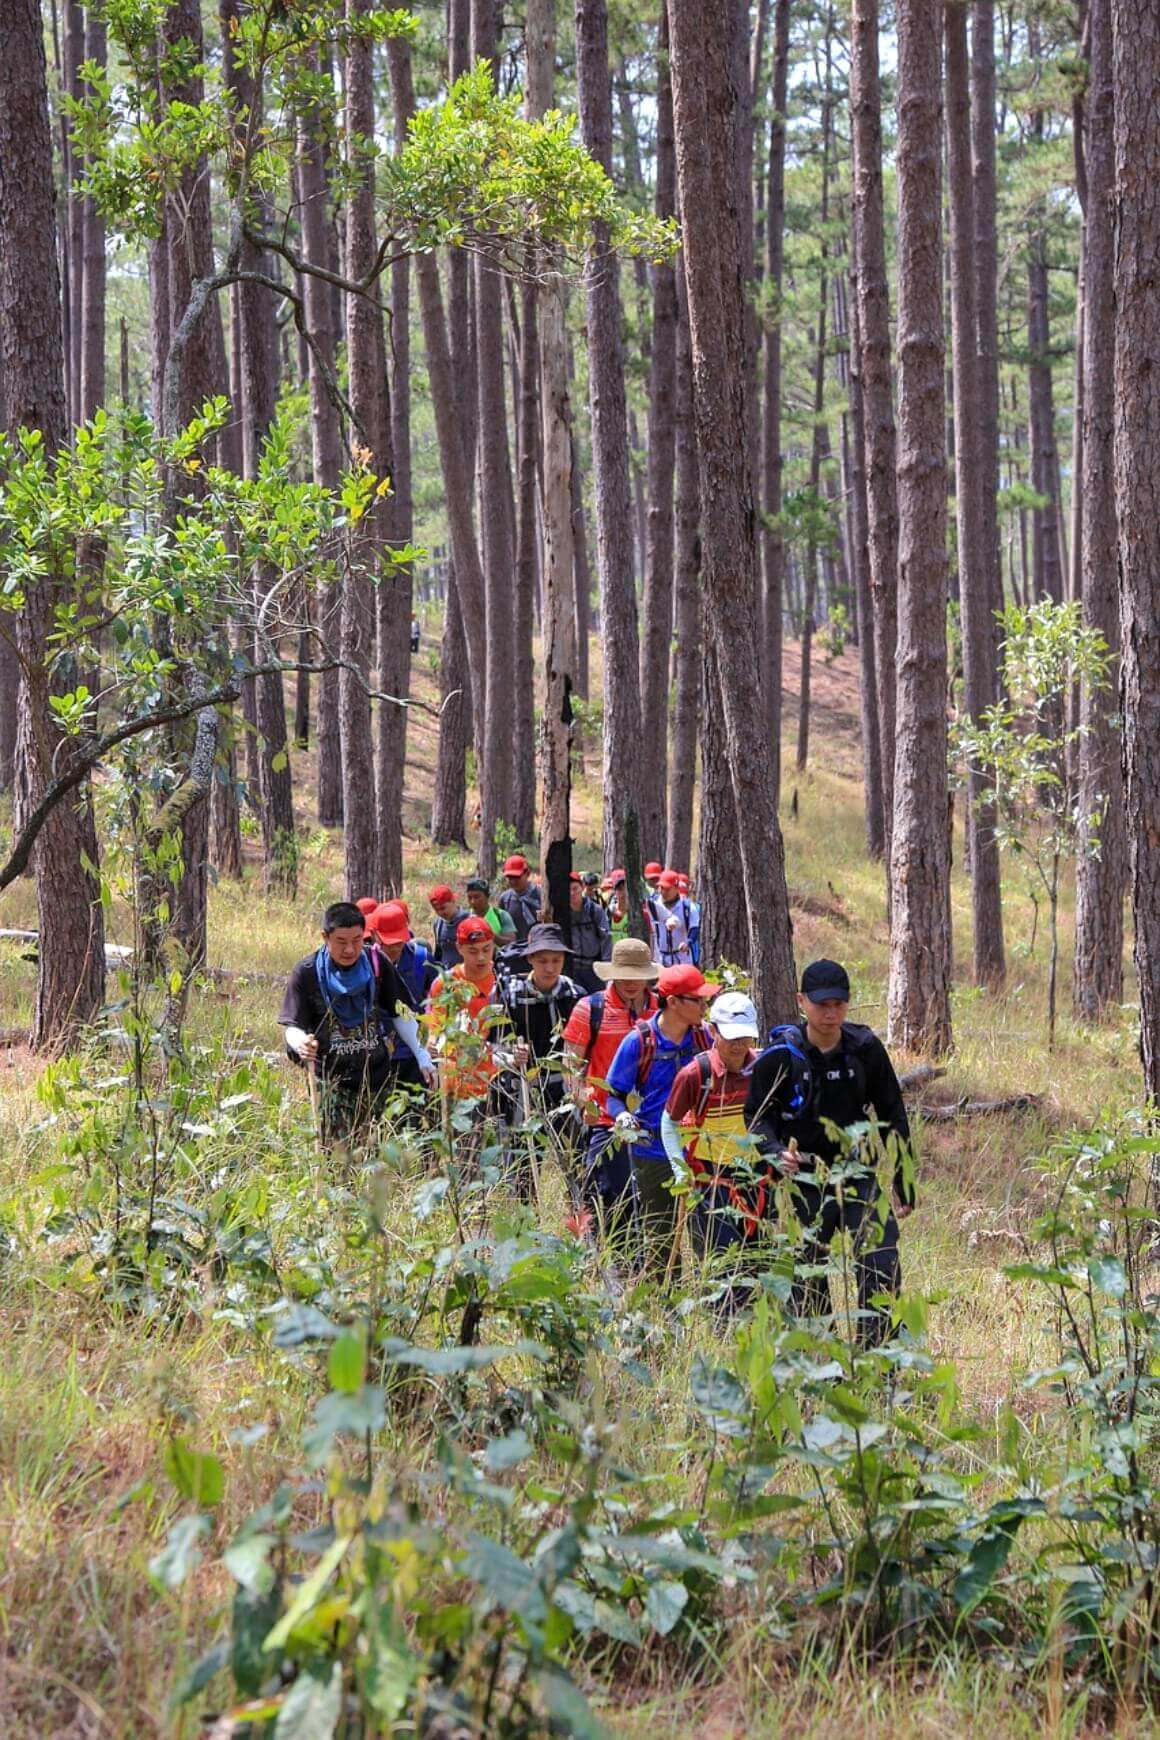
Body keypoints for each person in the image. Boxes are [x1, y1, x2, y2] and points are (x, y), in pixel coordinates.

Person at [744, 958, 915, 1347]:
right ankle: (823, 1356)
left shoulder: (865, 1048)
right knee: (807, 1271)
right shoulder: (782, 1056)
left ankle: (877, 1356)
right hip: (802, 1178)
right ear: (801, 1001)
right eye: (821, 1004)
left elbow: (893, 1113)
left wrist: (904, 1178)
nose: (830, 1013)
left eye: (838, 1004)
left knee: (881, 1260)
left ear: (848, 1003)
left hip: (856, 1172)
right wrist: (773, 1151)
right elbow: (756, 1115)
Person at [279, 901, 436, 1146]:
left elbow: (400, 1013)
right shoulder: (307, 972)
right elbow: (292, 1024)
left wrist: (421, 1053)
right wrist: (301, 1043)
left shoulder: (377, 965)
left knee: (375, 1158)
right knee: (336, 1159)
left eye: (357, 940)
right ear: (325, 937)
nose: (350, 949)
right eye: (341, 941)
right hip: (330, 1082)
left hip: (376, 1079)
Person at [605, 963, 713, 1277]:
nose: (705, 1007)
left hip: (700, 1152)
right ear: (674, 1002)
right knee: (662, 1239)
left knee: (706, 1236)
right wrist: (622, 1116)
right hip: (653, 1153)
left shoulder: (705, 1038)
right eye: (698, 1000)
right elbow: (613, 1094)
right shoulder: (639, 1041)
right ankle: (665, 1308)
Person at [662, 992, 768, 1309]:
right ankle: (722, 1333)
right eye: (731, 1038)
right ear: (712, 1031)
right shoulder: (696, 1074)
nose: (739, 1046)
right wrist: (680, 1169)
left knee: (755, 1262)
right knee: (720, 1264)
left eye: (745, 1037)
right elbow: (669, 1124)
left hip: (755, 1180)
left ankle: (750, 1334)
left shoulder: (763, 1067)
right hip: (710, 1183)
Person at [563, 936, 661, 1243]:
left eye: (637, 976)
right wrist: (584, 1103)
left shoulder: (663, 1010)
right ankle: (617, 1269)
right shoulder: (589, 1009)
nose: (631, 983)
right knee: (613, 1200)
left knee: (653, 1206)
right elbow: (570, 1067)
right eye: (624, 975)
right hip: (606, 1121)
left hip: (655, 1122)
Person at [497, 922, 585, 1193]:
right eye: (543, 960)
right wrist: (511, 1057)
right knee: (524, 1163)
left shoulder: (575, 995)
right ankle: (527, 1224)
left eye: (556, 960)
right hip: (524, 1089)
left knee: (576, 1160)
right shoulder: (510, 994)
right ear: (530, 959)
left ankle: (581, 1222)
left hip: (566, 1090)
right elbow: (490, 1047)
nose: (550, 967)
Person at [426, 916, 506, 1104]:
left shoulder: (503, 981)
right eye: (473, 951)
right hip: (457, 1083)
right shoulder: (446, 983)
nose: (481, 957)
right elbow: (435, 1026)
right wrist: (431, 1042)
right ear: (459, 948)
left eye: (486, 949)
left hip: (497, 1081)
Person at [368, 903, 439, 1013]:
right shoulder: (366, 962)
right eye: (390, 943)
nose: (395, 948)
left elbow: (438, 998)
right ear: (373, 934)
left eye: (399, 941)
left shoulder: (421, 958)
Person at [567, 870, 612, 994]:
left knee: (598, 1005)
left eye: (575, 888)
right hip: (573, 968)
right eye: (568, 890)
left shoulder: (595, 910)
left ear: (582, 887)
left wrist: (607, 968)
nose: (572, 893)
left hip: (594, 968)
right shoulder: (562, 914)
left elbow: (606, 939)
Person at [647, 870, 701, 967]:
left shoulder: (687, 907)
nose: (663, 892)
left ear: (676, 888)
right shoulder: (653, 904)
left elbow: (695, 928)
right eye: (661, 888)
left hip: (682, 958)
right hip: (659, 958)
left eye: (667, 889)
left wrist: (688, 943)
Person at [498, 853, 542, 944]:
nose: (513, 881)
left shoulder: (539, 895)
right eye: (510, 878)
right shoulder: (505, 899)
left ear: (527, 874)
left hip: (537, 947)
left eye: (517, 877)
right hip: (514, 949)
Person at [465, 876, 518, 944]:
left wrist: (491, 935)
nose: (473, 901)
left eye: (477, 897)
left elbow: (512, 942)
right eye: (469, 898)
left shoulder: (501, 915)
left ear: (487, 897)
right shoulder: (465, 918)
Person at [429, 884, 469, 968]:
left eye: (443, 908)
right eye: (437, 910)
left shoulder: (469, 920)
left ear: (453, 901)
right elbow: (439, 952)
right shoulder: (438, 924)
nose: (440, 913)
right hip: (446, 975)